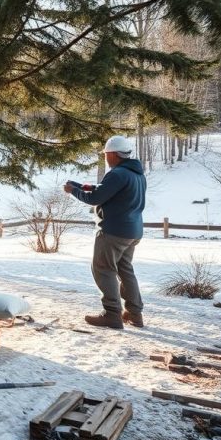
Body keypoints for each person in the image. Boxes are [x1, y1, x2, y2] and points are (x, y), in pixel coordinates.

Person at [64, 135, 147, 329]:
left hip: (113, 231)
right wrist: (79, 185)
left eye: (106, 154)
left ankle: (112, 314)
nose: (105, 158)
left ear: (114, 154)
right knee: (125, 270)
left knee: (103, 268)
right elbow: (103, 189)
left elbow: (96, 198)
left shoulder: (117, 174)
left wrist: (73, 191)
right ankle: (135, 313)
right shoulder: (136, 174)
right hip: (133, 231)